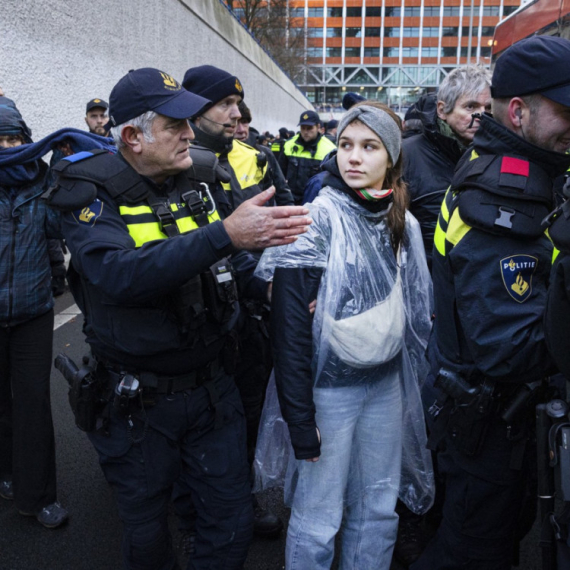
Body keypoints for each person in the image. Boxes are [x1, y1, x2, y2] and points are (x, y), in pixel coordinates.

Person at [48, 67, 312, 570]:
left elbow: (224, 266)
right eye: (175, 125)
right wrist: (227, 236)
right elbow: (116, 275)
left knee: (231, 527)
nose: (191, 134)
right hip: (138, 405)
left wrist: (268, 289)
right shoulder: (89, 193)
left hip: (214, 389)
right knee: (149, 540)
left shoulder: (200, 176)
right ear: (132, 137)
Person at [412, 35, 570, 570]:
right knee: (474, 551)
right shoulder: (503, 194)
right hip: (492, 424)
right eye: (566, 111)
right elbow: (511, 349)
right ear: (520, 112)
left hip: (497, 418)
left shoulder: (527, 169)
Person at [256, 102, 433, 569]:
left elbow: (416, 312)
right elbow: (290, 331)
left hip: (385, 385)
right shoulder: (317, 218)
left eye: (369, 147)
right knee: (319, 516)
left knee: (378, 509)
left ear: (391, 159)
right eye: (347, 145)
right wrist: (299, 417)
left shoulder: (403, 223)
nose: (352, 157)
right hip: (330, 391)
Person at [181, 65, 288, 541]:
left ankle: (233, 496)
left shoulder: (237, 158)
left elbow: (266, 227)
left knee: (242, 404)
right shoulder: (184, 164)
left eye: (238, 104)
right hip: (204, 315)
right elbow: (213, 246)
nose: (237, 113)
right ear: (195, 108)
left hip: (244, 307)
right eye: (224, 104)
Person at [0, 96, 68, 528]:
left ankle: (38, 495)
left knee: (32, 404)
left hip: (33, 313)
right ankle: (6, 471)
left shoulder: (45, 185)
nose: (7, 148)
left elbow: (56, 237)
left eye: (14, 138)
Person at [403, 66, 491, 269]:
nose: (482, 116)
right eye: (470, 107)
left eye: (488, 108)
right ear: (442, 110)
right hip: (424, 283)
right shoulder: (405, 155)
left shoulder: (500, 155)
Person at [279, 110, 336, 204]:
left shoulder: (330, 149)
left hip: (315, 202)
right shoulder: (288, 145)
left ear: (318, 127)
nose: (305, 132)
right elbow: (280, 176)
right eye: (303, 128)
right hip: (291, 201)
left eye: (309, 128)